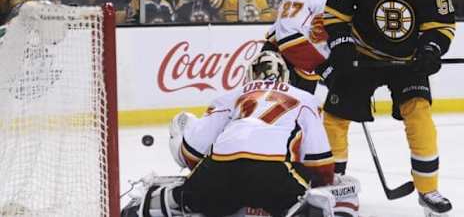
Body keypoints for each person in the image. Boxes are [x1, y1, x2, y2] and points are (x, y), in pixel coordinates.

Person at [322, 0, 455, 216]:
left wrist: (431, 50)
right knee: (334, 116)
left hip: (407, 62)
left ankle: (428, 189)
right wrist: (342, 44)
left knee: (419, 113)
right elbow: (334, 14)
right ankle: (331, 181)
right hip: (362, 56)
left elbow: (442, 25)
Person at [133, 51, 360, 217]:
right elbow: (320, 163)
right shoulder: (305, 99)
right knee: (323, 198)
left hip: (219, 170)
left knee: (190, 200)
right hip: (272, 175)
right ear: (285, 77)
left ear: (250, 75)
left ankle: (164, 202)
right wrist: (324, 182)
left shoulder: (229, 97)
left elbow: (192, 151)